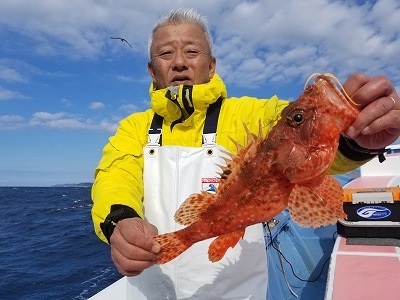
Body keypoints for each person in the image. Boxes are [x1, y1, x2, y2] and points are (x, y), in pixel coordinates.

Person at [91, 8, 400, 299]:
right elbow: (115, 175)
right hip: (150, 289)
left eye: (192, 51)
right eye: (166, 53)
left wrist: (354, 139)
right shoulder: (134, 129)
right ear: (152, 69)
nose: (180, 62)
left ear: (211, 65)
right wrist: (120, 220)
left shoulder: (247, 114)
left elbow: (298, 137)